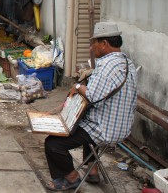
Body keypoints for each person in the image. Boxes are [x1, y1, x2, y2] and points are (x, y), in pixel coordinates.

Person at [44, 22, 137, 191]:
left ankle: (72, 178)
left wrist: (78, 87)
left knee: (53, 143)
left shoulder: (108, 65)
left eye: (93, 43)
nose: (90, 48)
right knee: (84, 123)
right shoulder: (126, 62)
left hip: (106, 128)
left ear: (104, 44)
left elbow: (93, 95)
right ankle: (92, 171)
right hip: (122, 126)